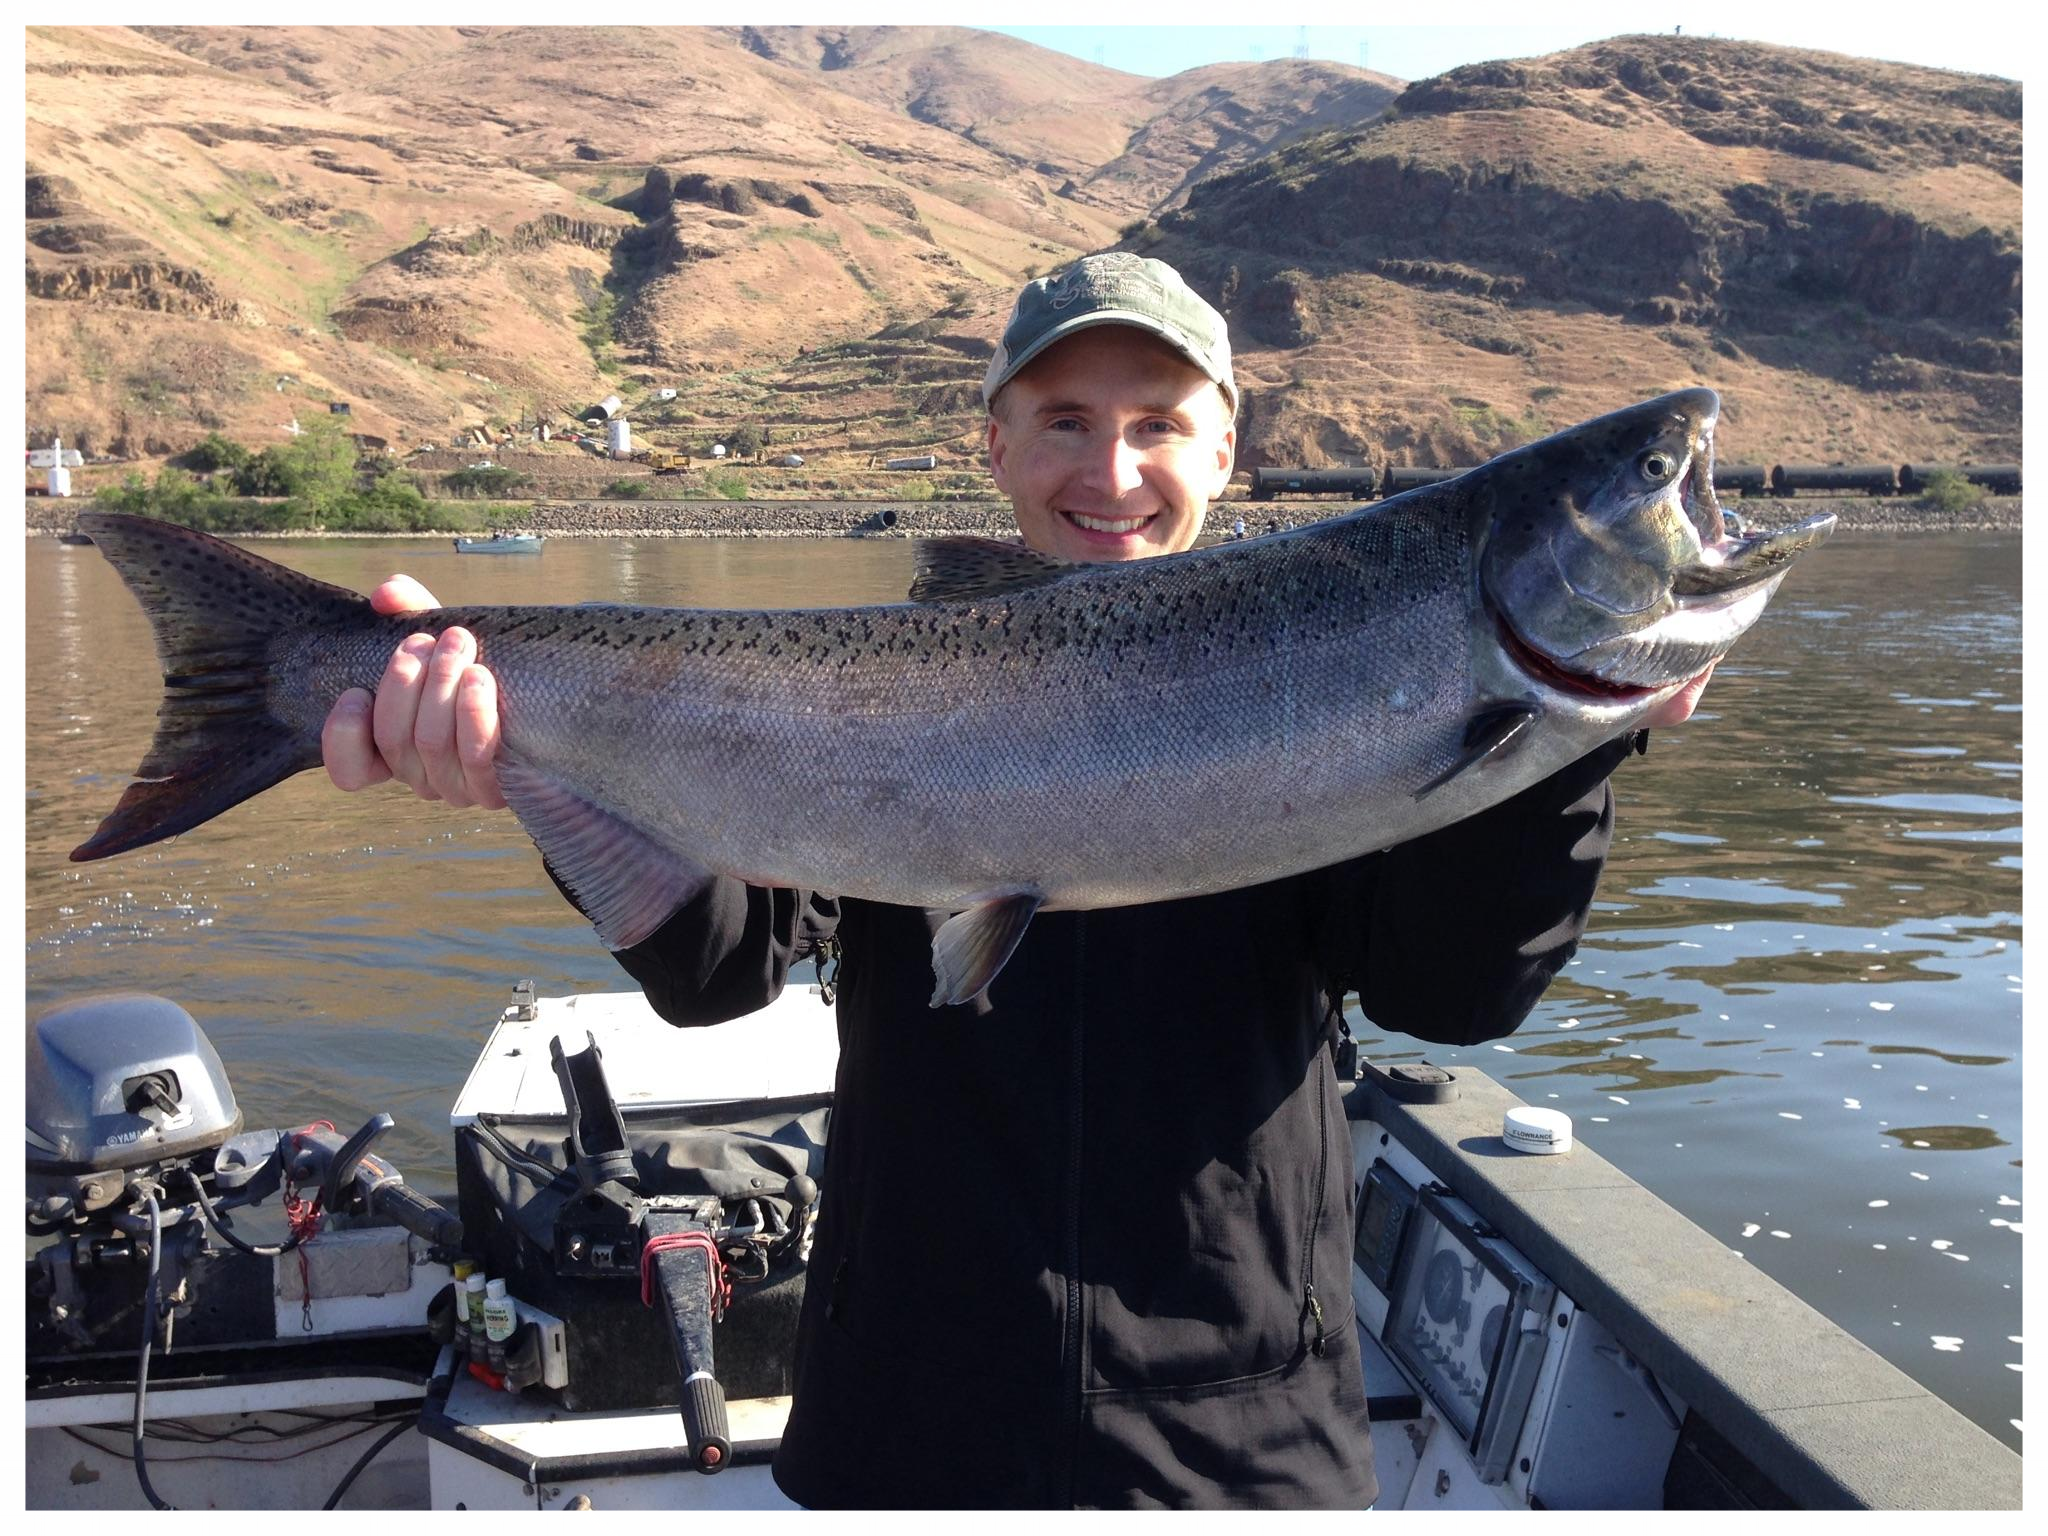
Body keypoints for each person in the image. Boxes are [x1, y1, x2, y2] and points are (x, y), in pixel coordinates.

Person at [324, 253, 1712, 1508]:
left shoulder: (1331, 675)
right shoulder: (890, 693)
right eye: (1065, 423)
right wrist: (541, 774)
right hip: (911, 1422)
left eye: (1157, 425)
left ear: (1225, 451)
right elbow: (718, 971)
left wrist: (1559, 754)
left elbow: (1458, 992)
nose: (1111, 473)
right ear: (995, 446)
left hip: (1237, 1443)